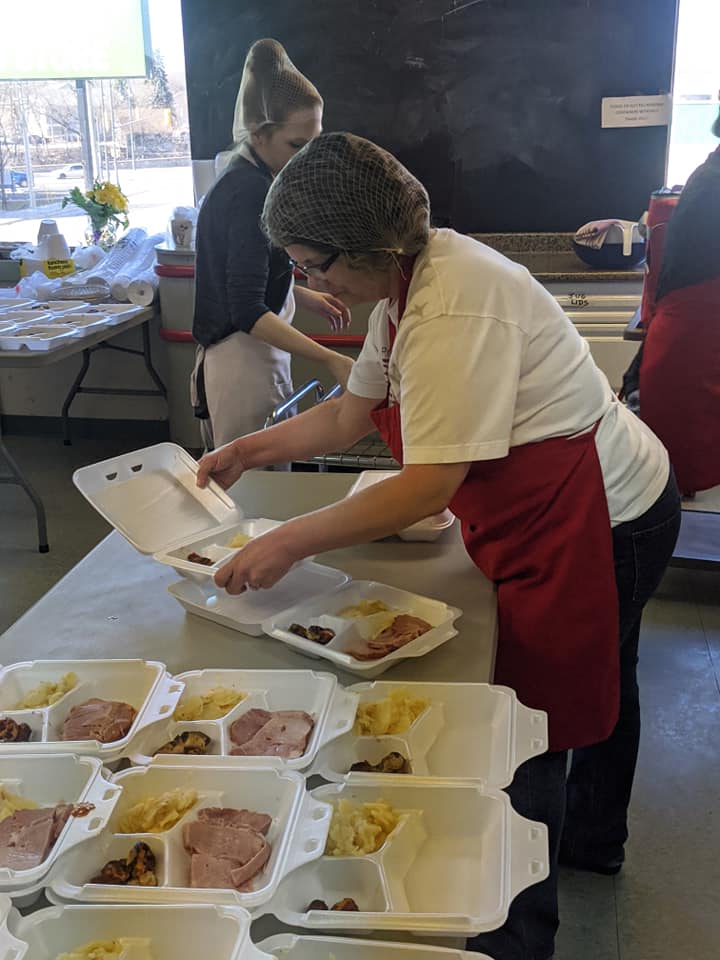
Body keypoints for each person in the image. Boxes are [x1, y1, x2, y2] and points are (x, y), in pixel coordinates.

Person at [196, 133, 681, 960]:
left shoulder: (453, 304)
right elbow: (350, 414)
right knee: (599, 676)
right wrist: (249, 449)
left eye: (312, 264)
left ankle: (520, 926)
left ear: (365, 245)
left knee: (529, 723)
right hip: (570, 508)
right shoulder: (406, 287)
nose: (311, 283)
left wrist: (287, 542)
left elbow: (427, 488)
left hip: (608, 515)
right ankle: (594, 840)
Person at [191, 39, 353, 451]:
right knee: (252, 481)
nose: (305, 157)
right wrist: (330, 357)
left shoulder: (248, 175)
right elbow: (246, 309)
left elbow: (242, 277)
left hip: (246, 356)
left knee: (255, 473)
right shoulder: (249, 192)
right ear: (259, 134)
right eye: (296, 145)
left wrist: (298, 294)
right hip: (241, 364)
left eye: (313, 142)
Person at [638, 105, 720, 495]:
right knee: (684, 480)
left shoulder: (709, 176)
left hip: (690, 340)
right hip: (691, 350)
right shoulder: (712, 184)